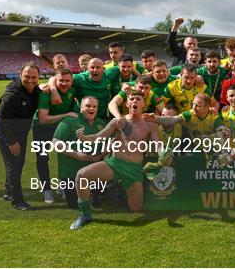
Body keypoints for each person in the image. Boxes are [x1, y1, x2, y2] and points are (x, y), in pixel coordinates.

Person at [71, 90, 161, 229]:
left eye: (138, 99)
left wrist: (163, 154)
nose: (135, 101)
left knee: (136, 208)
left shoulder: (151, 125)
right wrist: (84, 138)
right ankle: (84, 214)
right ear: (127, 103)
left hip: (134, 169)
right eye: (132, 99)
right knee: (81, 175)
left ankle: (118, 190)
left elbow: (158, 144)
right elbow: (99, 136)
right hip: (114, 164)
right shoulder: (118, 121)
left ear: (144, 104)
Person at [0, 62, 41, 210]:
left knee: (17, 163)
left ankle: (9, 191)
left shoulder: (35, 90)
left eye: (34, 77)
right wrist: (11, 141)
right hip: (6, 133)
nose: (30, 80)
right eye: (27, 76)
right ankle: (17, 200)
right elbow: (0, 122)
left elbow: (44, 90)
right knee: (14, 166)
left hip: (20, 132)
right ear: (20, 74)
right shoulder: (10, 96)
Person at [52, 96, 106, 208]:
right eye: (88, 106)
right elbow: (55, 142)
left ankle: (96, 193)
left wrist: (100, 155)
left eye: (94, 106)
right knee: (74, 205)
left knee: (94, 202)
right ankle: (65, 188)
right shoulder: (69, 121)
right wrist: (77, 155)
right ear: (81, 107)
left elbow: (109, 144)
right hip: (71, 172)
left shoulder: (101, 123)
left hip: (93, 171)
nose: (91, 108)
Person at [33, 68, 77, 203]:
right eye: (61, 80)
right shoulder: (46, 92)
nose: (64, 83)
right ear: (55, 81)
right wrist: (66, 115)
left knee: (66, 156)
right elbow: (43, 119)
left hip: (61, 126)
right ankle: (47, 190)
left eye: (67, 81)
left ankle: (62, 186)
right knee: (42, 158)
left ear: (72, 81)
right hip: (42, 128)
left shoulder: (74, 89)